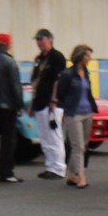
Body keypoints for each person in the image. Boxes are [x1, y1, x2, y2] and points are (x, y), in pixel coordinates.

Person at [56, 43, 97, 188]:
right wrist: (66, 107)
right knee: (77, 146)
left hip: (87, 112)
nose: (90, 58)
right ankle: (81, 176)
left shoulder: (86, 72)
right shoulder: (68, 74)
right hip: (73, 113)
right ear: (80, 56)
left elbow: (88, 92)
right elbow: (61, 93)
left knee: (83, 145)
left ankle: (72, 174)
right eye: (87, 55)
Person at [28, 27, 66, 180]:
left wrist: (54, 99)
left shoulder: (57, 57)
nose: (39, 43)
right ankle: (50, 165)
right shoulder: (39, 59)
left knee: (54, 135)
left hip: (52, 103)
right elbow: (35, 82)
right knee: (44, 136)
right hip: (40, 102)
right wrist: (32, 103)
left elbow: (58, 80)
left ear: (49, 39)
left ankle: (59, 167)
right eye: (37, 40)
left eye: (41, 39)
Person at [0, 33, 22, 183]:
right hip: (7, 107)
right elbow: (15, 86)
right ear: (8, 45)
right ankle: (6, 172)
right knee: (8, 141)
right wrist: (19, 104)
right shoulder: (9, 62)